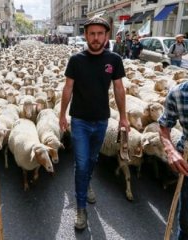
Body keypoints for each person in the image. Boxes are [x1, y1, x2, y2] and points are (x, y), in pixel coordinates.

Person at [59, 17, 129, 230]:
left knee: (92, 158)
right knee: (81, 163)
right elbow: (68, 88)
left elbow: (119, 89)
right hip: (79, 120)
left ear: (106, 36)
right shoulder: (76, 60)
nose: (96, 37)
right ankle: (81, 209)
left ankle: (87, 182)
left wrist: (124, 117)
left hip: (101, 121)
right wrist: (62, 115)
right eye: (92, 33)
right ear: (85, 35)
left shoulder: (114, 59)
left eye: (100, 33)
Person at [159, 82, 188, 240]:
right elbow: (164, 125)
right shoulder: (178, 93)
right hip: (187, 163)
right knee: (186, 223)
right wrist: (171, 150)